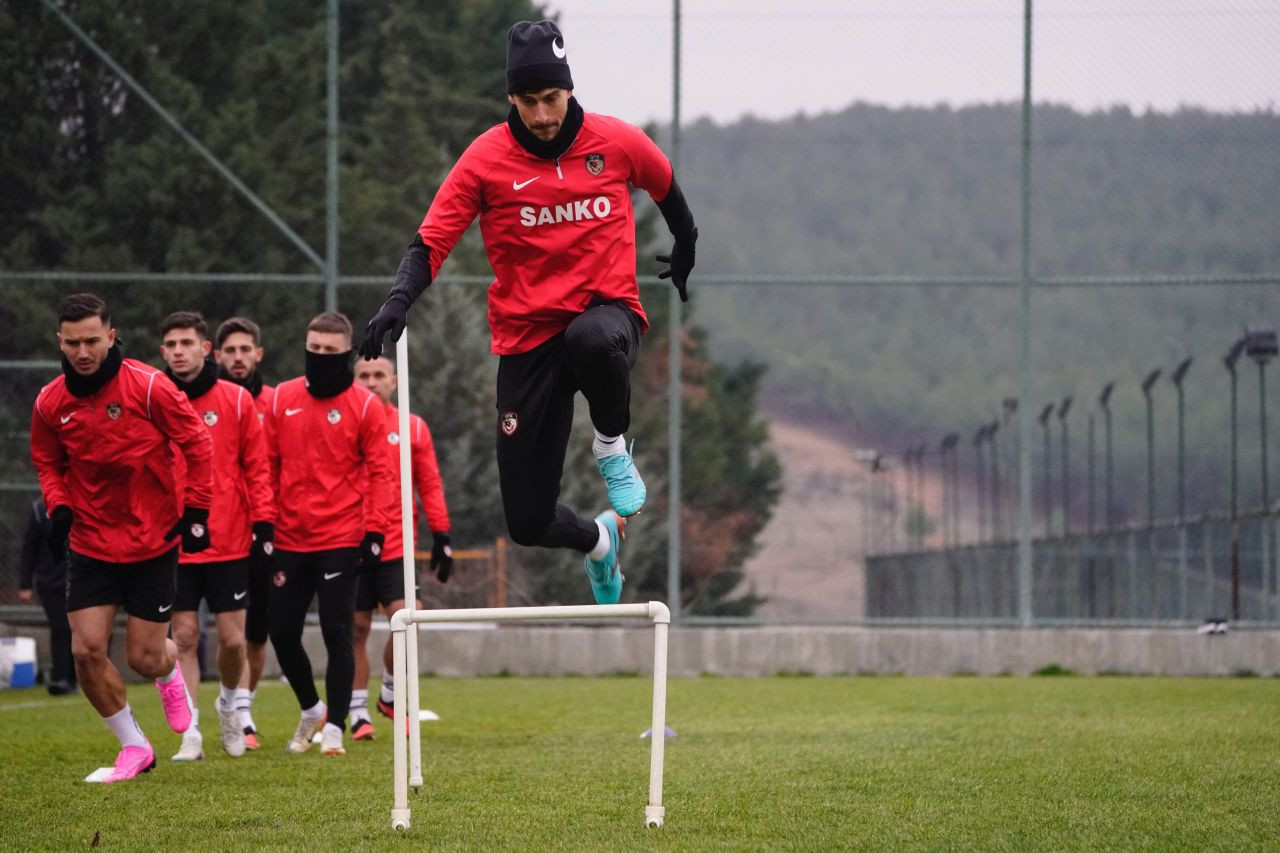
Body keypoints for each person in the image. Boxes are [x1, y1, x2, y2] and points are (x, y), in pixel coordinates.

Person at [360, 20, 698, 605]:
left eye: (551, 98)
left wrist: (686, 245)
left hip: (604, 316)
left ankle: (611, 446)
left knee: (592, 339)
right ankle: (598, 542)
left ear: (569, 89)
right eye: (527, 100)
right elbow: (430, 241)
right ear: (511, 98)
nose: (542, 114)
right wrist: (398, 300)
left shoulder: (616, 141)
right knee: (527, 521)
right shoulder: (486, 158)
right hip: (526, 339)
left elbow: (665, 186)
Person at [29, 293, 212, 783]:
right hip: (90, 542)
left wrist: (197, 510)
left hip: (153, 540)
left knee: (144, 659)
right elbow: (47, 461)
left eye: (92, 341)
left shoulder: (150, 387)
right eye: (73, 343)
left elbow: (197, 442)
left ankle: (169, 673)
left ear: (111, 337)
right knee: (86, 650)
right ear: (60, 341)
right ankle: (134, 746)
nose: (83, 352)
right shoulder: (49, 402)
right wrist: (59, 506)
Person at [266, 312, 393, 757]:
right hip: (288, 538)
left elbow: (381, 474)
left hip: (341, 537)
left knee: (338, 630)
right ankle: (311, 708)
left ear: (346, 354)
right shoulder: (281, 398)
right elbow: (266, 465)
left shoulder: (364, 406)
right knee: (281, 631)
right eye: (314, 349)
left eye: (330, 351)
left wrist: (375, 533)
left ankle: (336, 726)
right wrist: (263, 523)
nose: (320, 356)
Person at [159, 311, 274, 761]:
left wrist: (263, 525)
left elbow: (256, 468)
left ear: (206, 349)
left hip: (229, 538)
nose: (179, 352)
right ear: (163, 351)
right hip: (175, 541)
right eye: (171, 345)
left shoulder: (236, 400)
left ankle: (228, 704)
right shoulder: (155, 399)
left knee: (233, 641)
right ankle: (190, 733)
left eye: (187, 343)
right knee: (185, 636)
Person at [348, 355, 452, 741]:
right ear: (353, 381)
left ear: (393, 381)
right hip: (350, 540)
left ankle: (390, 694)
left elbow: (430, 483)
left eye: (379, 375)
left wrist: (442, 534)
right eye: (363, 375)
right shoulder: (343, 425)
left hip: (396, 542)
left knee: (408, 618)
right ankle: (357, 712)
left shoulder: (412, 426)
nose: (371, 382)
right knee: (356, 627)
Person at [213, 315, 274, 749]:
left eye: (244, 350)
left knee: (257, 629)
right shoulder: (207, 400)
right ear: (217, 356)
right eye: (230, 350)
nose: (238, 357)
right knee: (213, 631)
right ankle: (235, 713)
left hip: (268, 528)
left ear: (258, 354)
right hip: (221, 532)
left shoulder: (276, 403)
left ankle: (244, 708)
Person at [18, 496, 75, 695]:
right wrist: (25, 583)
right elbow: (29, 547)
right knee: (60, 628)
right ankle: (61, 678)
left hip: (79, 579)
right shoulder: (39, 509)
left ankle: (74, 677)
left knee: (78, 630)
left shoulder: (84, 501)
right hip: (49, 581)